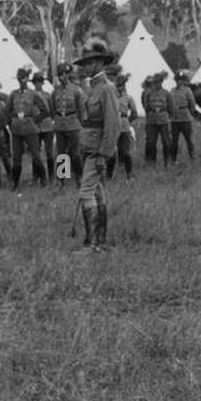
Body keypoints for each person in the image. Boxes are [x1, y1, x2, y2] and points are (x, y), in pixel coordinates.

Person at [72, 38, 121, 252]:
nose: (86, 66)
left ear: (101, 63)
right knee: (98, 192)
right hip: (89, 147)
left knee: (85, 192)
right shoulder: (92, 88)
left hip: (97, 151)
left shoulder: (106, 89)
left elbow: (113, 124)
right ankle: (99, 241)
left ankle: (91, 243)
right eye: (85, 62)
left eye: (91, 62)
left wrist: (104, 154)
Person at [6, 66, 50, 191]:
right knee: (16, 158)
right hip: (17, 130)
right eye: (19, 79)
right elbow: (7, 111)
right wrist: (12, 123)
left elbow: (46, 110)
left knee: (39, 156)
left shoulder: (34, 94)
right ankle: (14, 183)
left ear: (27, 79)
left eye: (23, 78)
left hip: (32, 129)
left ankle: (47, 179)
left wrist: (34, 121)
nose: (21, 81)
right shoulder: (13, 94)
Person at [52, 66, 85, 184]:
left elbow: (81, 109)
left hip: (73, 124)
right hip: (60, 124)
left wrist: (79, 123)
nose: (62, 77)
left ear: (68, 75)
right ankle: (61, 180)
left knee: (75, 154)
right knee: (61, 154)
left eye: (64, 74)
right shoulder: (55, 90)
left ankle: (79, 177)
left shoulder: (76, 90)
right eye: (59, 75)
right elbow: (53, 108)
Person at [167, 68, 201, 163]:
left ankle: (192, 156)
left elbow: (192, 104)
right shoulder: (172, 91)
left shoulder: (187, 91)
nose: (178, 82)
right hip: (175, 119)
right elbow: (169, 103)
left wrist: (190, 113)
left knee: (189, 139)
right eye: (177, 80)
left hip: (185, 118)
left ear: (183, 81)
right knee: (174, 140)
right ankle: (173, 159)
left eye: (180, 80)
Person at [107, 69, 136, 180]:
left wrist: (127, 121)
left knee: (126, 153)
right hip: (112, 127)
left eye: (120, 86)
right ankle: (61, 177)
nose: (118, 88)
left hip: (123, 127)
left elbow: (134, 113)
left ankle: (129, 174)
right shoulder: (109, 97)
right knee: (110, 153)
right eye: (117, 86)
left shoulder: (128, 98)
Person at [141, 72, 172, 166]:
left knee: (166, 142)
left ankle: (167, 161)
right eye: (155, 82)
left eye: (158, 82)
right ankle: (152, 162)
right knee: (151, 142)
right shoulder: (148, 93)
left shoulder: (166, 93)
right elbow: (146, 106)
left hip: (163, 120)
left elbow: (170, 107)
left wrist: (166, 116)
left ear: (161, 82)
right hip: (152, 120)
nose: (156, 84)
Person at [32, 71, 55, 169]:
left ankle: (53, 175)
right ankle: (37, 176)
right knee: (35, 152)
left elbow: (52, 110)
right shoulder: (30, 95)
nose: (38, 84)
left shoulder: (48, 95)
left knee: (50, 152)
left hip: (47, 125)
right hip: (35, 126)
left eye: (40, 82)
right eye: (36, 82)